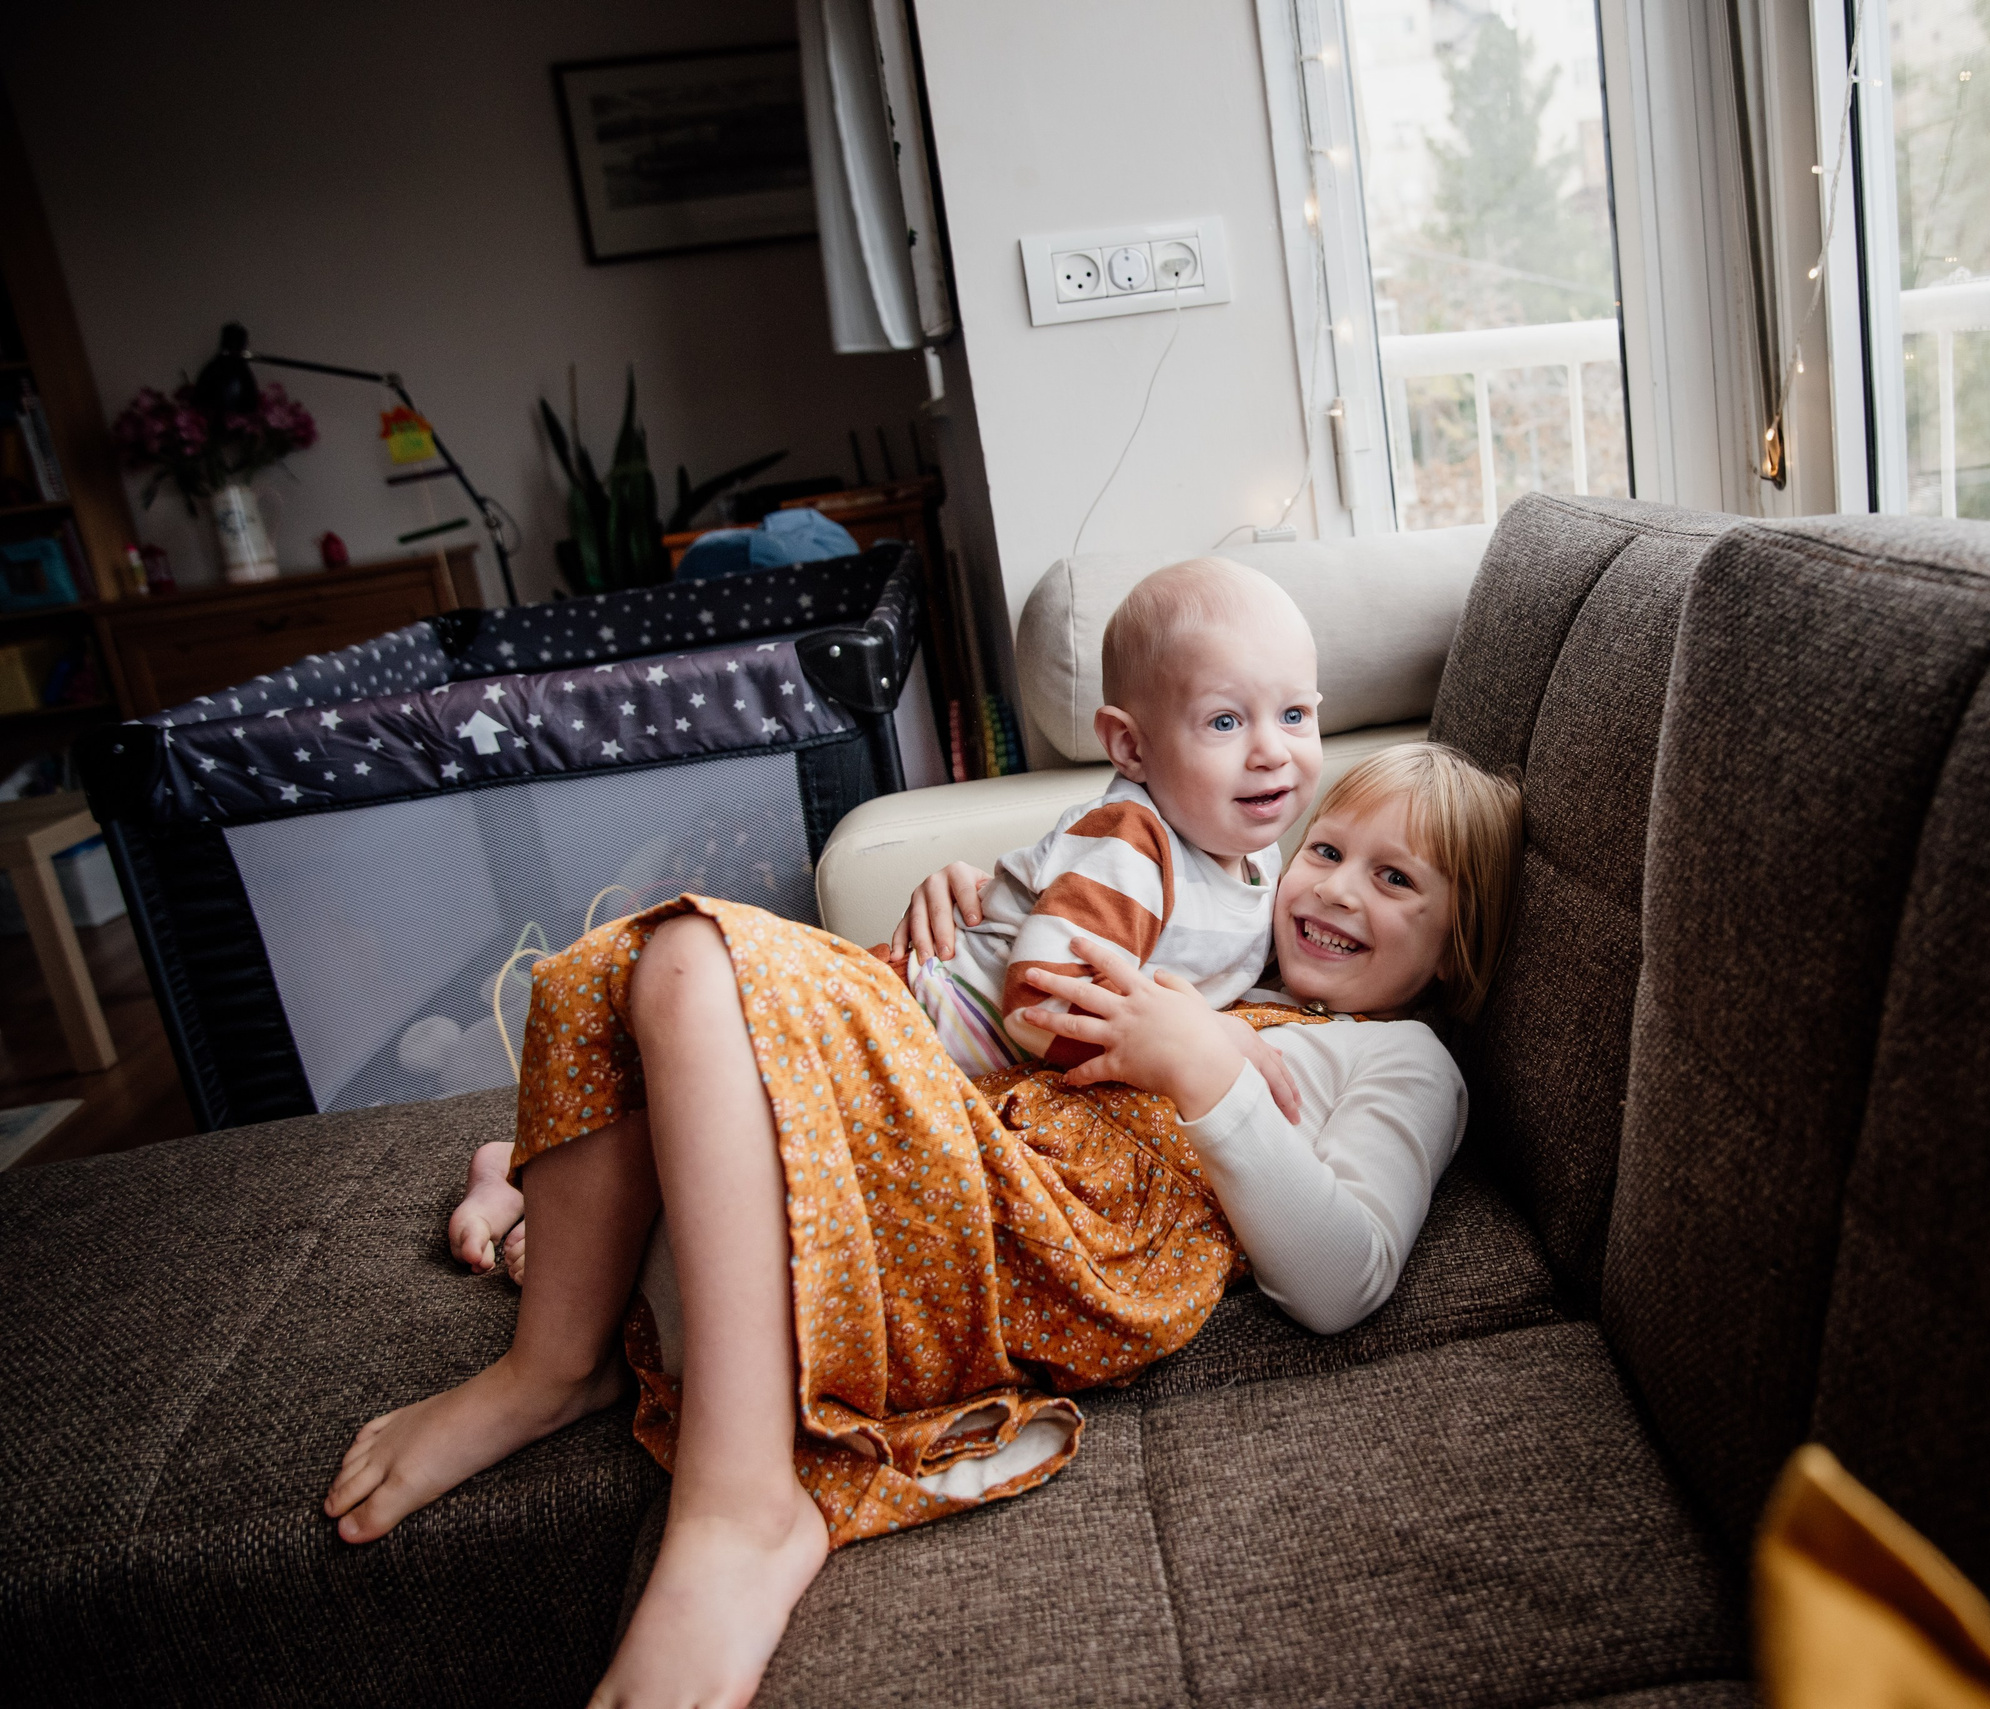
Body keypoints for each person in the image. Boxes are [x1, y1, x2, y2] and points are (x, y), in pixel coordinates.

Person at [327, 741, 1521, 1709]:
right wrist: (981, 903)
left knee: (696, 959)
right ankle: (555, 1350)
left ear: (1458, 946)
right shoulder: (1224, 944)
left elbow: (1346, 1275)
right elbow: (1051, 951)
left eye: (1396, 878)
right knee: (609, 967)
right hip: (932, 1183)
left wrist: (1211, 1075)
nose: (1335, 889)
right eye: (1325, 850)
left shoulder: (1402, 1058)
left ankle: (740, 1507)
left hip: (1036, 1249)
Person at [449, 554, 1320, 1281]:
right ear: (1131, 747)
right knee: (717, 1112)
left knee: (722, 1132)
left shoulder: (1254, 850)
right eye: (1224, 720)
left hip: (927, 1049)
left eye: (1294, 714)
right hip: (899, 1014)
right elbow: (1039, 1001)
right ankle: (528, 1176)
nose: (1272, 749)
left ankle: (530, 1175)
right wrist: (1204, 1037)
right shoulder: (1133, 839)